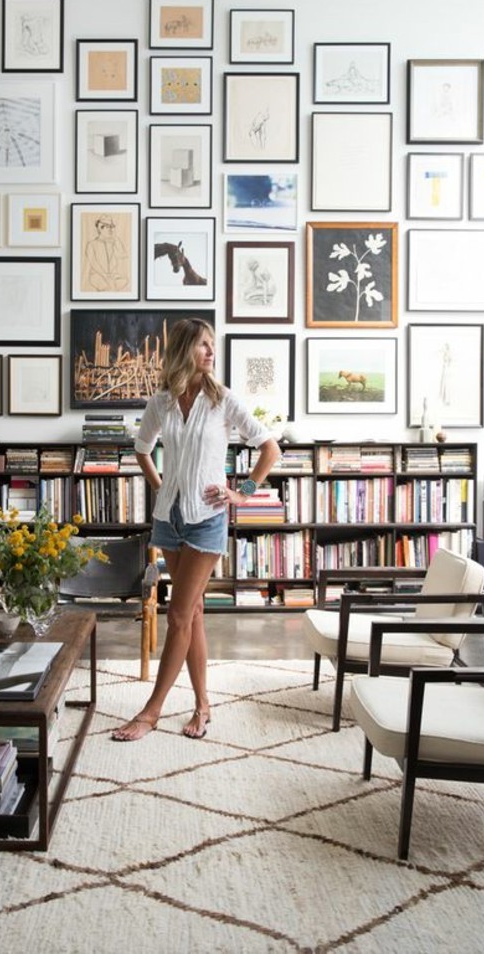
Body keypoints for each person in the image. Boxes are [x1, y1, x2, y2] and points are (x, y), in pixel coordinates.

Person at [112, 318, 281, 742]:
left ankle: (151, 711)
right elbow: (142, 450)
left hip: (207, 519)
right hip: (168, 518)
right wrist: (160, 485)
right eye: (203, 345)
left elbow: (269, 447)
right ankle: (203, 706)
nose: (211, 352)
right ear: (185, 349)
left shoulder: (223, 400)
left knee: (180, 614)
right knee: (195, 615)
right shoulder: (161, 403)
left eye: (212, 345)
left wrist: (242, 492)